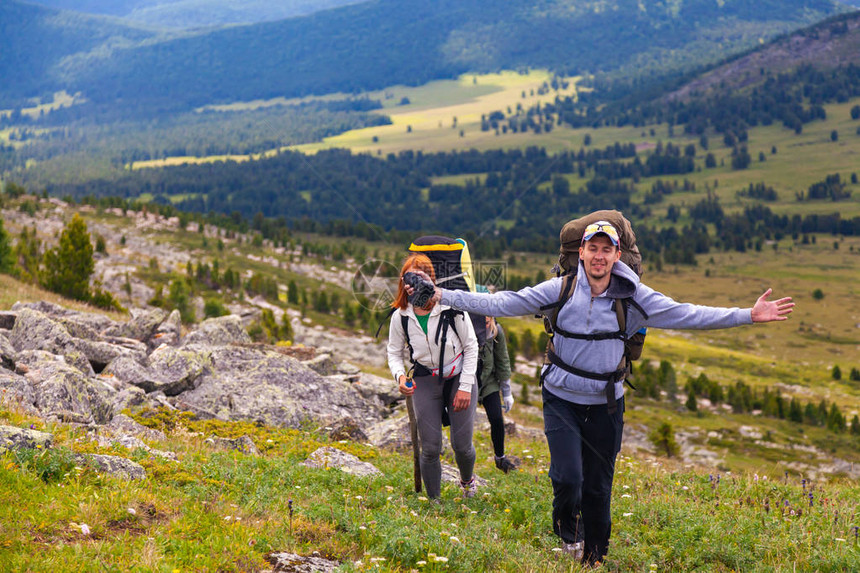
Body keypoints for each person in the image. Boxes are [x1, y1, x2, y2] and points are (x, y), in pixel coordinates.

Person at [408, 220, 794, 565]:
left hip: (607, 404)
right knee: (569, 477)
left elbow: (688, 313)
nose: (599, 255)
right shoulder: (561, 287)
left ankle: (595, 556)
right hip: (560, 399)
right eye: (592, 247)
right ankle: (567, 538)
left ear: (617, 254)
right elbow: (503, 301)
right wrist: (443, 296)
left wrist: (747, 314)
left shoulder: (635, 297)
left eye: (606, 249)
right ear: (582, 252)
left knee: (598, 485)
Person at [387, 253, 480, 499]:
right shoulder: (401, 316)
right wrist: (399, 377)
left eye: (422, 276)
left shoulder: (451, 306)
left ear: (432, 279)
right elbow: (394, 352)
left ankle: (467, 481)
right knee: (429, 447)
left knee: (461, 446)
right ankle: (434, 503)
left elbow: (471, 346)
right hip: (425, 377)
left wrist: (466, 386)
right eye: (410, 277)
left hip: (459, 375)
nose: (415, 283)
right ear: (403, 282)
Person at [478, 316, 518, 473]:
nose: (486, 325)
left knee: (496, 418)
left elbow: (503, 360)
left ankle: (500, 458)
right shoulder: (464, 328)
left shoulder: (496, 332)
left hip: (489, 382)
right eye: (482, 322)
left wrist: (507, 393)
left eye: (488, 322)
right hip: (468, 382)